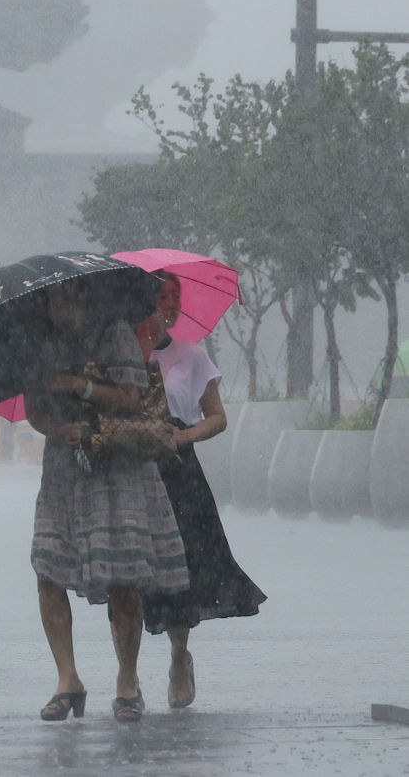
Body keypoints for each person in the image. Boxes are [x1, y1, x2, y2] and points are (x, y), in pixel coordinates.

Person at [24, 280, 188, 722]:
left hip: (117, 468)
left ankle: (127, 682)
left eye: (63, 298)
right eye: (50, 301)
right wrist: (57, 430)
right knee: (48, 569)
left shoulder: (114, 332)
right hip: (62, 472)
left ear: (80, 296)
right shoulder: (41, 343)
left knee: (124, 574)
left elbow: (132, 398)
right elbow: (34, 408)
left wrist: (81, 387)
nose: (57, 308)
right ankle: (67, 680)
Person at [135, 273, 265, 709]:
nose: (170, 304)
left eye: (176, 297)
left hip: (177, 473)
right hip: (130, 470)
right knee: (130, 572)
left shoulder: (190, 356)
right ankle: (126, 674)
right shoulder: (120, 355)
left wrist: (181, 437)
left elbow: (217, 417)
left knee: (180, 567)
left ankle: (178, 657)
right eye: (162, 296)